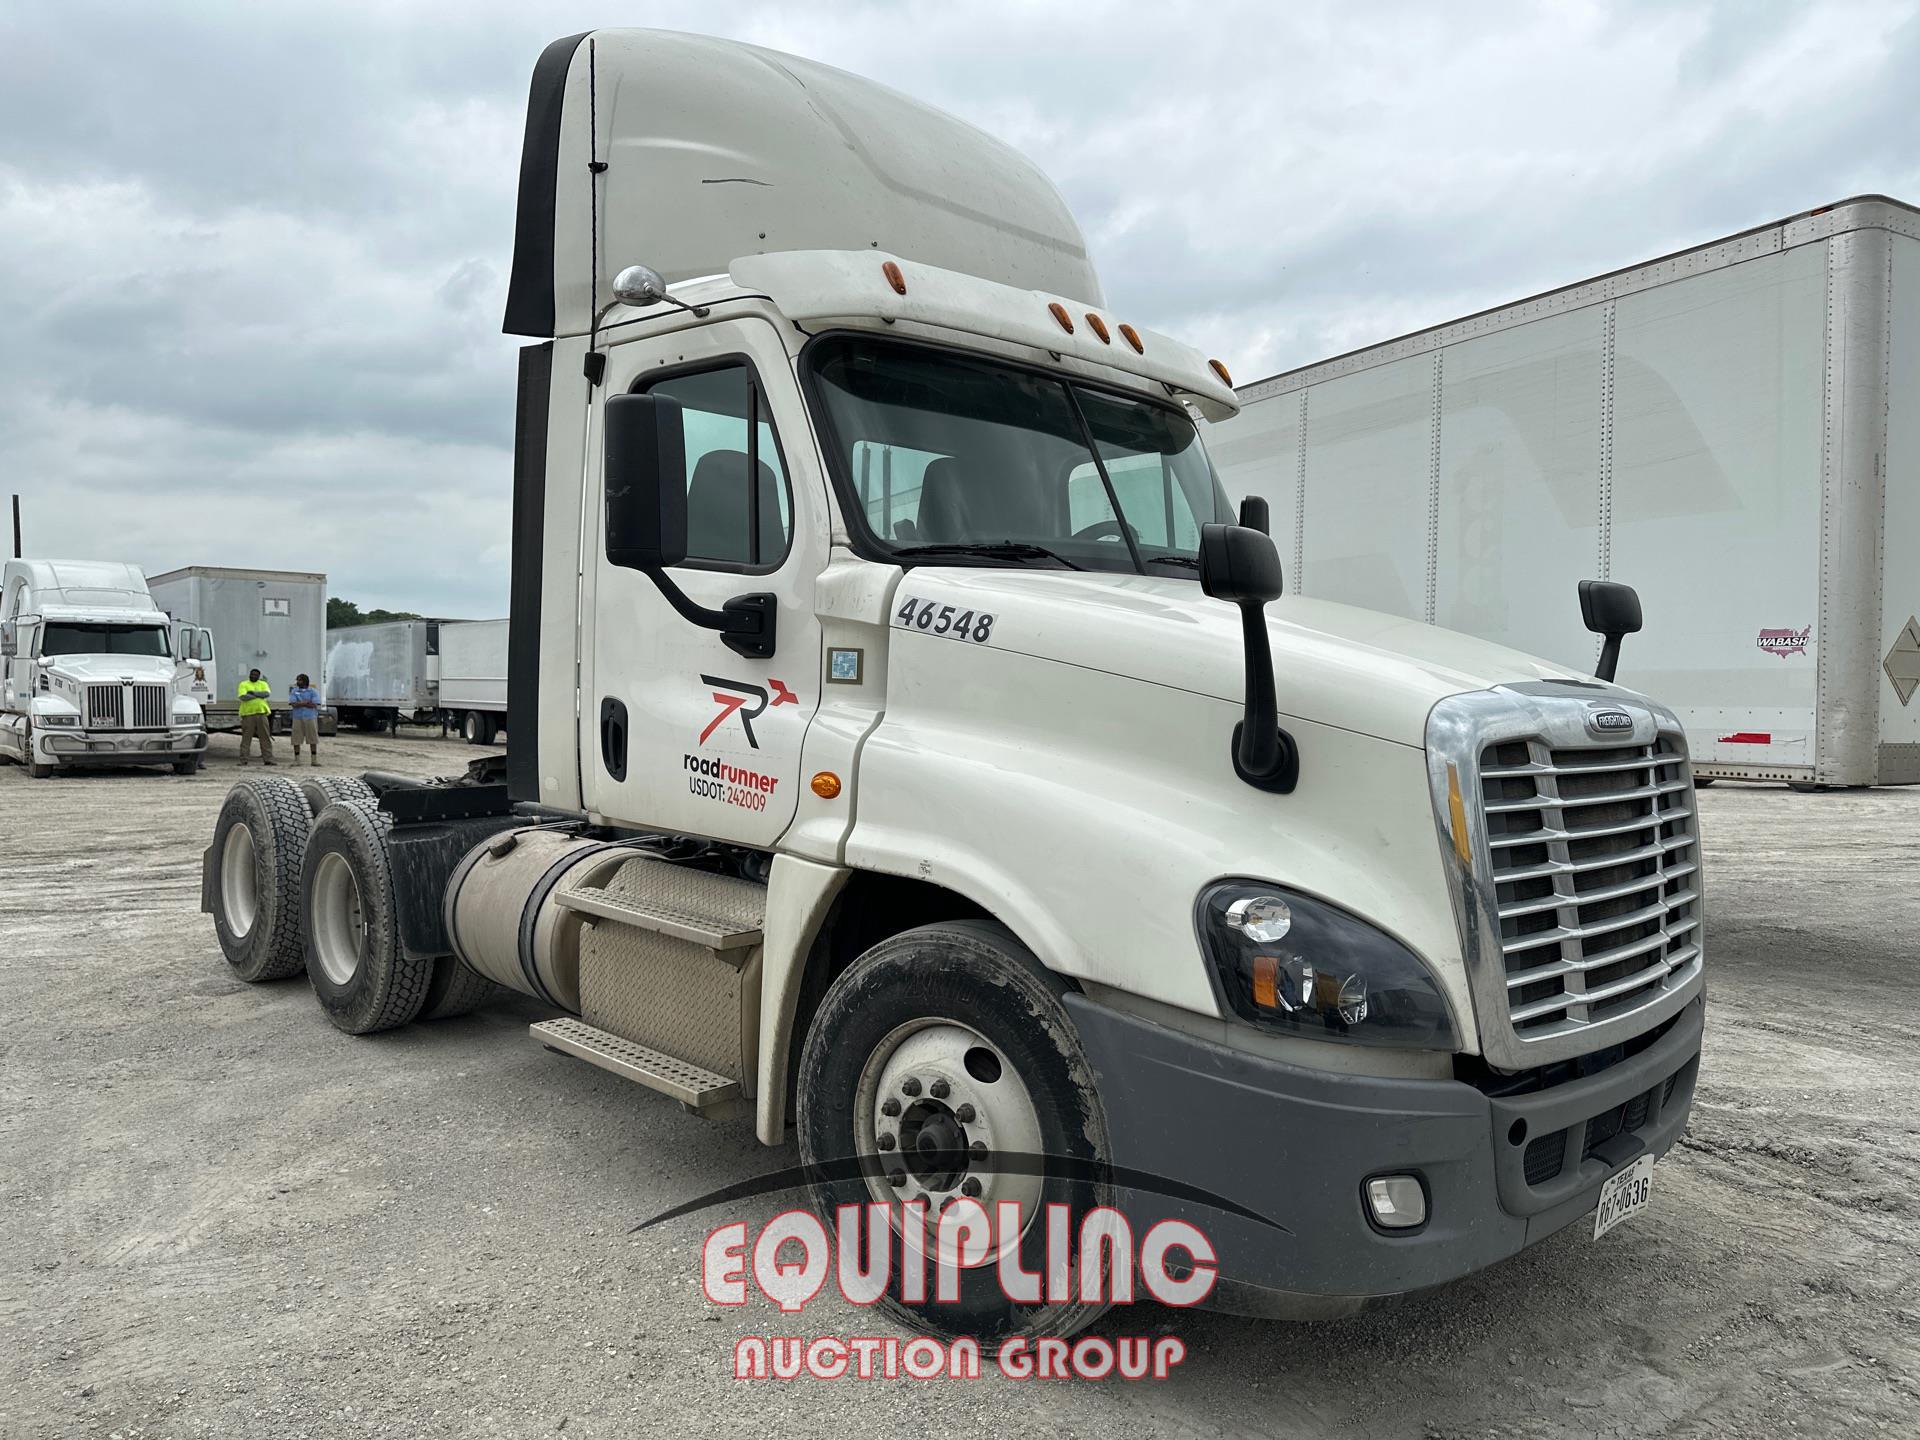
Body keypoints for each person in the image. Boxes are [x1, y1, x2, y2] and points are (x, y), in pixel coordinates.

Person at [237, 668, 275, 766]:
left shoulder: (263, 684)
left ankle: (268, 759)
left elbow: (266, 694)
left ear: (259, 676)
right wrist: (259, 695)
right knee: (246, 738)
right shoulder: (243, 684)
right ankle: (243, 760)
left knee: (265, 737)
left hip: (262, 713)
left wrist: (253, 693)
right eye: (251, 674)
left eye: (255, 675)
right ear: (249, 675)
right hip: (248, 714)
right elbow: (243, 697)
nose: (253, 676)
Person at [288, 673, 322, 766]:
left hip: (310, 717)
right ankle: (297, 760)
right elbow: (293, 704)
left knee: (313, 738)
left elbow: (314, 704)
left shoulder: (313, 691)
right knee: (296, 739)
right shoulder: (294, 691)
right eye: (297, 680)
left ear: (305, 681)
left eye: (300, 680)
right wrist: (305, 702)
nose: (298, 682)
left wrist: (300, 703)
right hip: (297, 717)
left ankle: (314, 760)